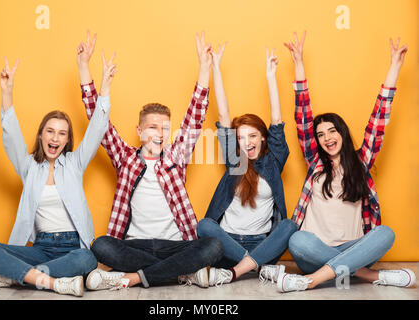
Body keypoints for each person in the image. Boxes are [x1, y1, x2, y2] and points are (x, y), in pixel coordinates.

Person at [75, 31, 223, 290]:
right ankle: (178, 273)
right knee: (101, 245)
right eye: (153, 127)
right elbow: (97, 122)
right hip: (135, 244)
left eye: (165, 128)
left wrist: (204, 67)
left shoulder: (176, 157)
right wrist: (84, 68)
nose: (160, 133)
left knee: (214, 246)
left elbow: (195, 117)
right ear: (140, 131)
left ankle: (133, 277)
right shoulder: (124, 158)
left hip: (175, 244)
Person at [277, 31, 416, 292]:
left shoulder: (361, 161)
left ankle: (312, 281)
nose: (327, 138)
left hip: (355, 247)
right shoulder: (315, 163)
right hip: (314, 251)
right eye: (320, 135)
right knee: (297, 240)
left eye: (332, 131)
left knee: (385, 233)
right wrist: (298, 63)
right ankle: (370, 276)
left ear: (341, 132)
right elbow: (303, 116)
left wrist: (395, 67)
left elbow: (379, 120)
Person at [0, 52, 116, 297]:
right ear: (41, 135)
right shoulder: (28, 167)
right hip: (41, 248)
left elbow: (97, 129)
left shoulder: (74, 164)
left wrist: (104, 88)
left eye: (62, 133)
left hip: (73, 247)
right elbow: (11, 136)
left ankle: (13, 278)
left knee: (87, 260)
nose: (55, 138)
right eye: (50, 131)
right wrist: (7, 92)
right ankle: (51, 281)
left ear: (68, 140)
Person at [196, 43, 297, 286]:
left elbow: (276, 121)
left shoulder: (273, 161)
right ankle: (257, 267)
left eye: (252, 136)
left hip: (263, 242)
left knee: (289, 226)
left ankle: (236, 271)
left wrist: (271, 77)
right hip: (227, 243)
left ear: (263, 137)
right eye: (241, 137)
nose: (246, 142)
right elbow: (223, 115)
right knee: (204, 226)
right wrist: (216, 68)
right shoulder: (235, 161)